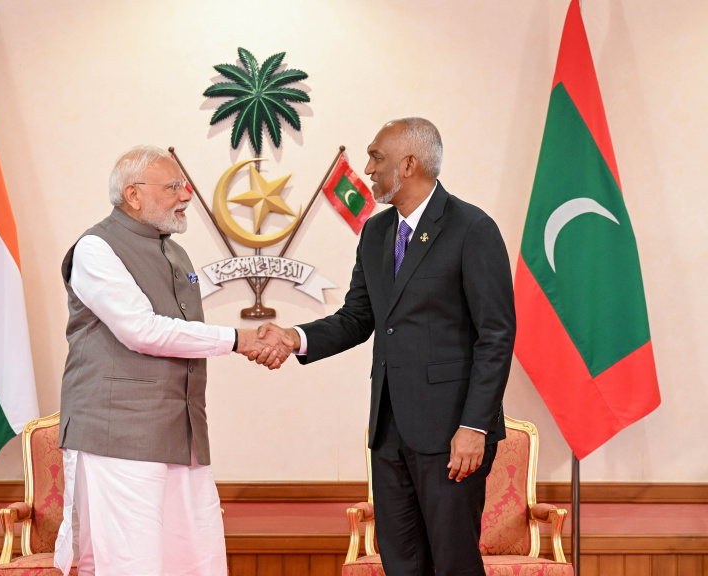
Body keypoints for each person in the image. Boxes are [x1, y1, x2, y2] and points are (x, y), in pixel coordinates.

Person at [256, 118, 516, 575]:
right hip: (389, 433)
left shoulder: (472, 228)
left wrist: (474, 426)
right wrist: (295, 337)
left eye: (377, 157)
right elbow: (358, 317)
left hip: (452, 434)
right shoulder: (376, 232)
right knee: (402, 564)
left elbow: (496, 335)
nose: (368, 169)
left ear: (409, 164)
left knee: (453, 564)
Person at [54, 145, 291, 576]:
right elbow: (142, 330)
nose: (186, 195)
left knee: (196, 560)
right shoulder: (96, 248)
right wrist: (239, 339)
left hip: (183, 434)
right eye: (173, 187)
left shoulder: (175, 253)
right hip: (120, 436)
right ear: (133, 194)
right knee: (132, 564)